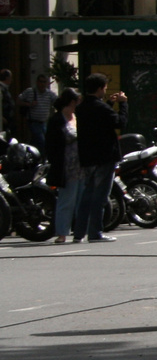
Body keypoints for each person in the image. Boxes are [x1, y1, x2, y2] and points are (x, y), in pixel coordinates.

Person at [73, 73, 127, 243]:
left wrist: (110, 103)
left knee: (86, 196)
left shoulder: (81, 108)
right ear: (99, 89)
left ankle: (79, 233)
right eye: (104, 88)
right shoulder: (101, 108)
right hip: (104, 156)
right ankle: (95, 232)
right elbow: (119, 122)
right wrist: (123, 104)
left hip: (87, 157)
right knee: (100, 197)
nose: (105, 91)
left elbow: (101, 117)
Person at [43, 88, 80, 244]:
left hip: (82, 165)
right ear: (72, 102)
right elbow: (50, 144)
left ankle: (79, 232)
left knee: (81, 200)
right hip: (66, 166)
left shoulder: (77, 117)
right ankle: (62, 233)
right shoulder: (57, 120)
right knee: (66, 200)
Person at [18, 73, 53, 149]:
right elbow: (18, 101)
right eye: (41, 82)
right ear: (37, 82)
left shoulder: (49, 94)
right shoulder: (30, 91)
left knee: (38, 141)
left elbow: (57, 101)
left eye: (44, 82)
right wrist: (29, 104)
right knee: (41, 141)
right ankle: (42, 157)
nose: (42, 84)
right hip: (33, 122)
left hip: (43, 122)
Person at [0, 68, 16, 140]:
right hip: (3, 120)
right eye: (11, 77)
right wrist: (1, 117)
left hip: (8, 119)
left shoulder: (5, 88)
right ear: (7, 78)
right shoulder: (1, 89)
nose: (11, 80)